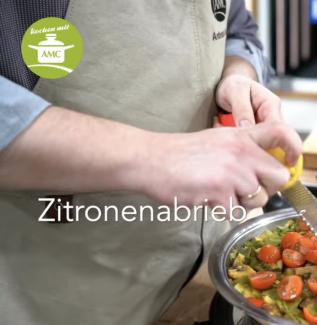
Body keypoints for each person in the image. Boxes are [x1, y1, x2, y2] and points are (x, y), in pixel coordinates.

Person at [0, 0, 301, 324]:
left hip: (199, 276)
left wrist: (239, 77)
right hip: (57, 293)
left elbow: (238, 29)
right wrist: (157, 155)